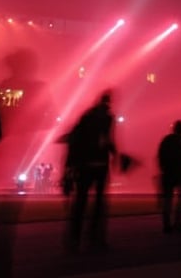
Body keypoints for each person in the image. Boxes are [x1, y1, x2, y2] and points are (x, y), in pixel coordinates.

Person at [65, 92, 117, 252]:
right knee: (98, 204)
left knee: (81, 202)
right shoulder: (106, 118)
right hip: (98, 165)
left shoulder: (87, 117)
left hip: (85, 165)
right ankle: (95, 239)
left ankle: (75, 239)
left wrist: (70, 165)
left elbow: (76, 139)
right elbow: (107, 140)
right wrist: (115, 153)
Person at [158, 120, 181, 234]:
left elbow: (160, 155)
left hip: (168, 173)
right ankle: (178, 222)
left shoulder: (166, 140)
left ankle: (166, 224)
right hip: (180, 173)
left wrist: (163, 168)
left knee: (167, 199)